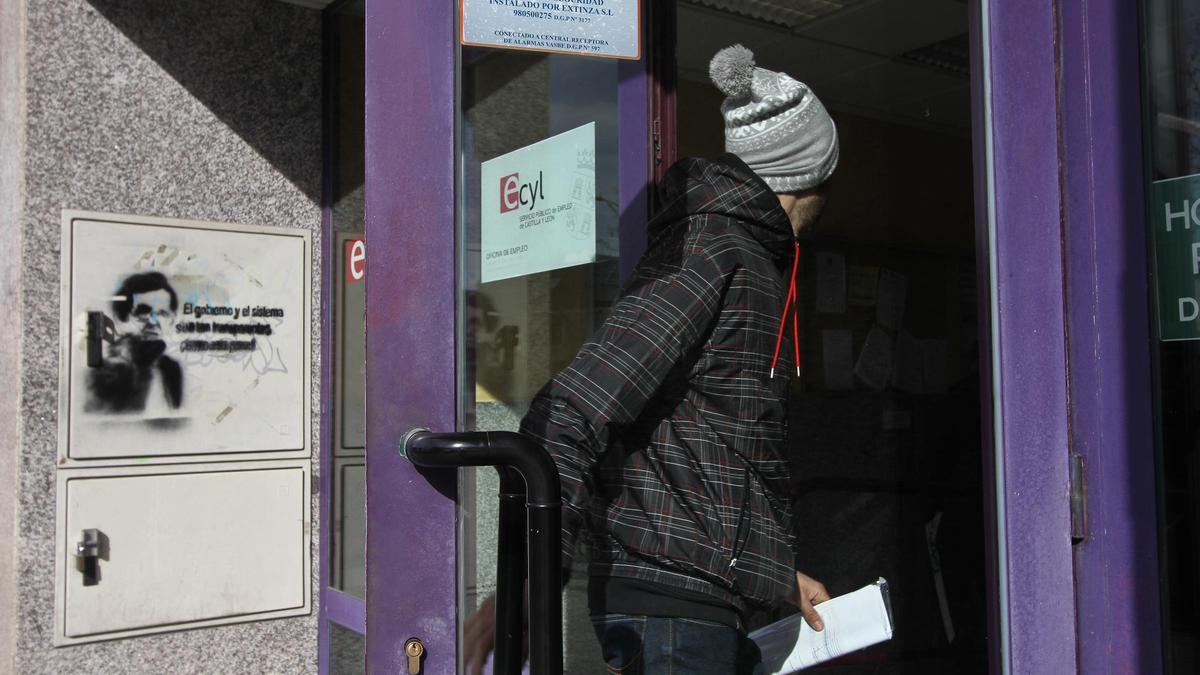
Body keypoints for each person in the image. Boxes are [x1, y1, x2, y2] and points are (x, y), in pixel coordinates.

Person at [466, 44, 838, 674]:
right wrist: (529, 583)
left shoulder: (746, 255)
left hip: (698, 601)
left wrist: (775, 572)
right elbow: (571, 409)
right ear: (810, 173)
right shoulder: (712, 248)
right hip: (669, 612)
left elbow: (710, 446)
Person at [86, 271, 184, 414]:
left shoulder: (171, 368)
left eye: (163, 313)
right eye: (143, 313)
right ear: (123, 317)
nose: (153, 322)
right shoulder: (104, 368)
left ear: (172, 319)